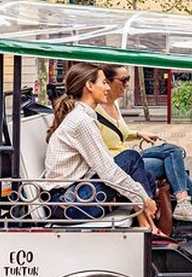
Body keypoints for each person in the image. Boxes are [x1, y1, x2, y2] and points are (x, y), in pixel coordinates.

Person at [98, 64, 192, 226]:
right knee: (171, 161)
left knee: (173, 152)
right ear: (107, 82)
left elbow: (117, 132)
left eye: (129, 79)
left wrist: (138, 134)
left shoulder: (114, 105)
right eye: (124, 80)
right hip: (122, 164)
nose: (127, 84)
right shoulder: (95, 112)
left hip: (130, 156)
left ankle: (188, 204)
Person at [42, 63, 159, 231]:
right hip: (67, 205)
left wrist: (139, 194)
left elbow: (104, 166)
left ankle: (146, 224)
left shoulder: (84, 116)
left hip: (76, 196)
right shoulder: (81, 121)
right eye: (104, 82)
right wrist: (143, 199)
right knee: (131, 158)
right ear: (89, 86)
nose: (107, 87)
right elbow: (108, 171)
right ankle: (148, 225)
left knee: (145, 174)